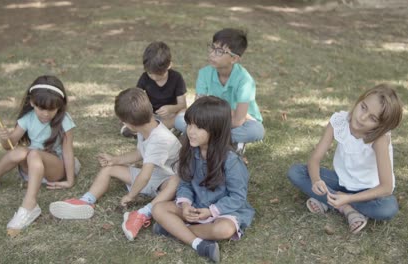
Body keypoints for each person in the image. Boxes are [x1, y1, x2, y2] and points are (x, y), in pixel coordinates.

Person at [50, 87, 181, 241]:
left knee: (176, 182)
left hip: (165, 185)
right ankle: (86, 201)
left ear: (129, 124)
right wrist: (115, 160)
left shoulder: (160, 139)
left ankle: (142, 213)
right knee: (109, 169)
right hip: (152, 177)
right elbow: (140, 153)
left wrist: (131, 196)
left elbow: (145, 176)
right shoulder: (147, 126)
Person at [288, 84, 403, 234]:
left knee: (387, 209)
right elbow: (314, 159)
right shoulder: (339, 121)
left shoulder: (379, 139)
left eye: (372, 118)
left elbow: (386, 187)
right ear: (359, 100)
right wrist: (316, 180)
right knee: (296, 172)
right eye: (363, 107)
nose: (362, 117)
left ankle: (331, 201)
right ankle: (343, 206)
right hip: (340, 181)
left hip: (367, 190)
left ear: (380, 126)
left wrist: (349, 198)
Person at [152, 96, 255, 263]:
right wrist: (185, 205)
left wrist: (211, 211)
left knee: (224, 230)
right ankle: (199, 244)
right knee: (158, 209)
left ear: (216, 131)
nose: (191, 131)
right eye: (190, 124)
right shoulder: (191, 151)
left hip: (223, 212)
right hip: (196, 207)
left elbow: (237, 197)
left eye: (199, 127)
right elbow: (185, 183)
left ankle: (175, 230)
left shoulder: (231, 161)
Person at [0, 75, 80, 232]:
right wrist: (5, 138)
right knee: (19, 152)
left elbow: (68, 151)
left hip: (54, 169)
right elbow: (9, 146)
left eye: (52, 109)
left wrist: (70, 180)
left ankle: (30, 205)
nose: (46, 114)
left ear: (60, 106)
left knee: (33, 153)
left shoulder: (64, 120)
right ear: (32, 102)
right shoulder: (27, 118)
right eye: (41, 108)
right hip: (31, 168)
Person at [174, 28, 264, 153]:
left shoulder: (245, 81)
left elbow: (238, 120)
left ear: (234, 59)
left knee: (256, 131)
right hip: (212, 119)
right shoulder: (204, 73)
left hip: (242, 122)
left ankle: (209, 139)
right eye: (212, 47)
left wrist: (210, 127)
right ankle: (225, 141)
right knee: (179, 120)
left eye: (219, 51)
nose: (212, 54)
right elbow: (198, 110)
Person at [121, 41, 186, 137]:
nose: (154, 78)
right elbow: (136, 99)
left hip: (171, 115)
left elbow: (183, 105)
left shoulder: (176, 78)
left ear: (169, 65)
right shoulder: (144, 78)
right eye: (150, 74)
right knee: (138, 117)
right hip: (152, 116)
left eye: (159, 75)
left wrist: (171, 108)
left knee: (183, 115)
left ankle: (152, 130)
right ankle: (164, 130)